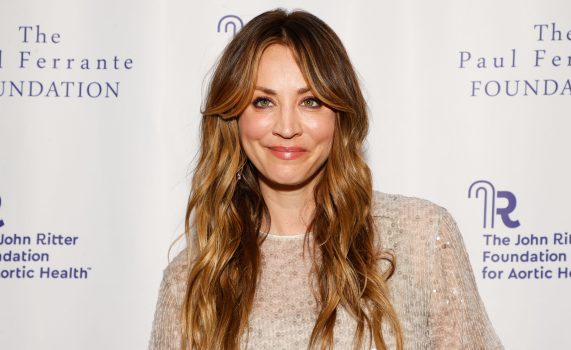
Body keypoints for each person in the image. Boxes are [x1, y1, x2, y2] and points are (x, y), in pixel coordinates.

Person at [149, 8, 503, 350]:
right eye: (262, 102)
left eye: (311, 102)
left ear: (341, 116)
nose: (287, 128)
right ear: (233, 119)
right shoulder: (191, 281)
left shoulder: (421, 238)